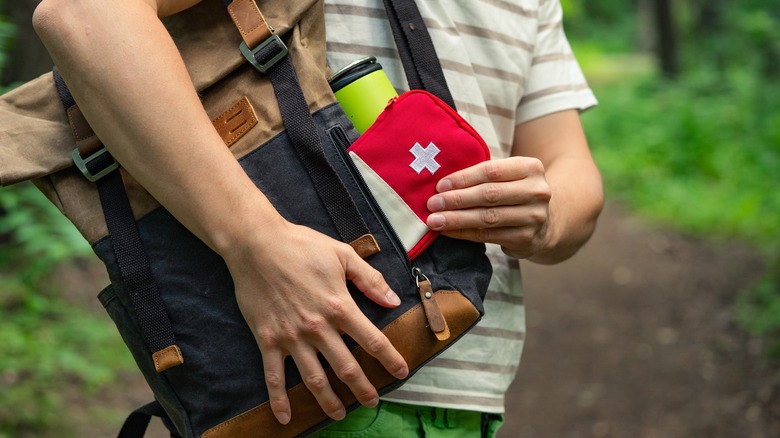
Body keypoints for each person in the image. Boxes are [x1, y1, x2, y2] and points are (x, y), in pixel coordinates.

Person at [32, 0, 603, 436]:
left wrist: (545, 215)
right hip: (306, 382)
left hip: (474, 392)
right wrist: (255, 242)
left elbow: (568, 162)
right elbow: (84, 13)